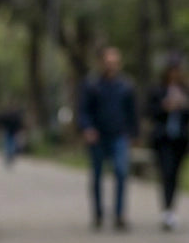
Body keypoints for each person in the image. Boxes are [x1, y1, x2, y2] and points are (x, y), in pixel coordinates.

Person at [77, 46, 138, 230]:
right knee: (97, 175)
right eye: (108, 62)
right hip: (98, 136)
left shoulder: (126, 86)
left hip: (119, 135)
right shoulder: (91, 85)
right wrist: (87, 128)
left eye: (115, 62)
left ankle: (119, 214)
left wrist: (134, 134)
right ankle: (98, 214)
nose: (111, 66)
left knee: (121, 172)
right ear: (101, 63)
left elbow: (132, 113)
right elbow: (83, 111)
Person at [147, 57, 189, 230]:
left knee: (175, 175)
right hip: (163, 139)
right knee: (166, 173)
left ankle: (171, 210)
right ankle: (166, 209)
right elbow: (150, 112)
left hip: (180, 139)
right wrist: (165, 107)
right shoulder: (158, 90)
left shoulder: (185, 90)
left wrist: (183, 105)